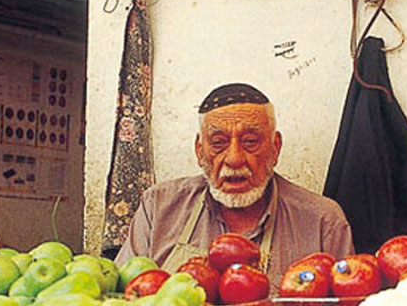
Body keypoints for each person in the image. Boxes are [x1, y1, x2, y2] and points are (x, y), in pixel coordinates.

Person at [114, 83, 354, 287]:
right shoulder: (159, 207)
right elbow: (123, 296)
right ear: (199, 150)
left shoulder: (322, 220)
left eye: (250, 141)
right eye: (218, 143)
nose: (235, 158)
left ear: (275, 147)